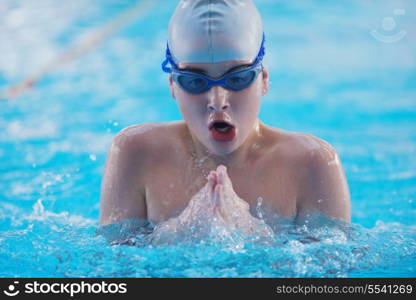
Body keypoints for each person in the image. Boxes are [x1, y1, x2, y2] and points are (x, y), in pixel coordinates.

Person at [99, 0, 351, 233]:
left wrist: (251, 235)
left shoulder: (311, 163)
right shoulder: (136, 152)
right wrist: (182, 230)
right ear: (173, 86)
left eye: (238, 78)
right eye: (194, 81)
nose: (217, 102)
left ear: (263, 80)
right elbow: (108, 271)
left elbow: (330, 274)